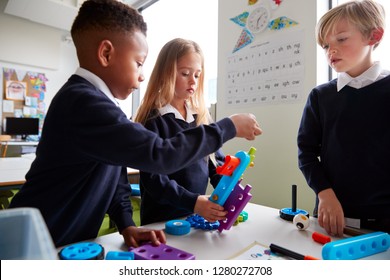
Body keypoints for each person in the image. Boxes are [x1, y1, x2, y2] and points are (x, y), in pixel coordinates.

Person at [9, 0, 262, 248]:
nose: (142, 76)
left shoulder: (97, 104)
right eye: (138, 63)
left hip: (59, 239)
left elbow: (113, 172)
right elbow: (160, 155)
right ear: (106, 53)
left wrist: (126, 223)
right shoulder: (82, 103)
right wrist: (229, 126)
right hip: (31, 240)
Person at [297, 0, 390, 237]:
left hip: (383, 221)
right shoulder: (321, 96)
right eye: (326, 45)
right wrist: (324, 194)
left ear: (373, 36)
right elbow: (306, 152)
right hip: (331, 216)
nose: (331, 51)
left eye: (341, 39)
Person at [135, 38, 227, 225]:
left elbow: (215, 163)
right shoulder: (152, 120)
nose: (192, 81)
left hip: (195, 218)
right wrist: (193, 202)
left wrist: (227, 184)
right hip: (161, 221)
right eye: (185, 73)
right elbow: (153, 180)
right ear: (165, 73)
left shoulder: (201, 117)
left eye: (197, 75)